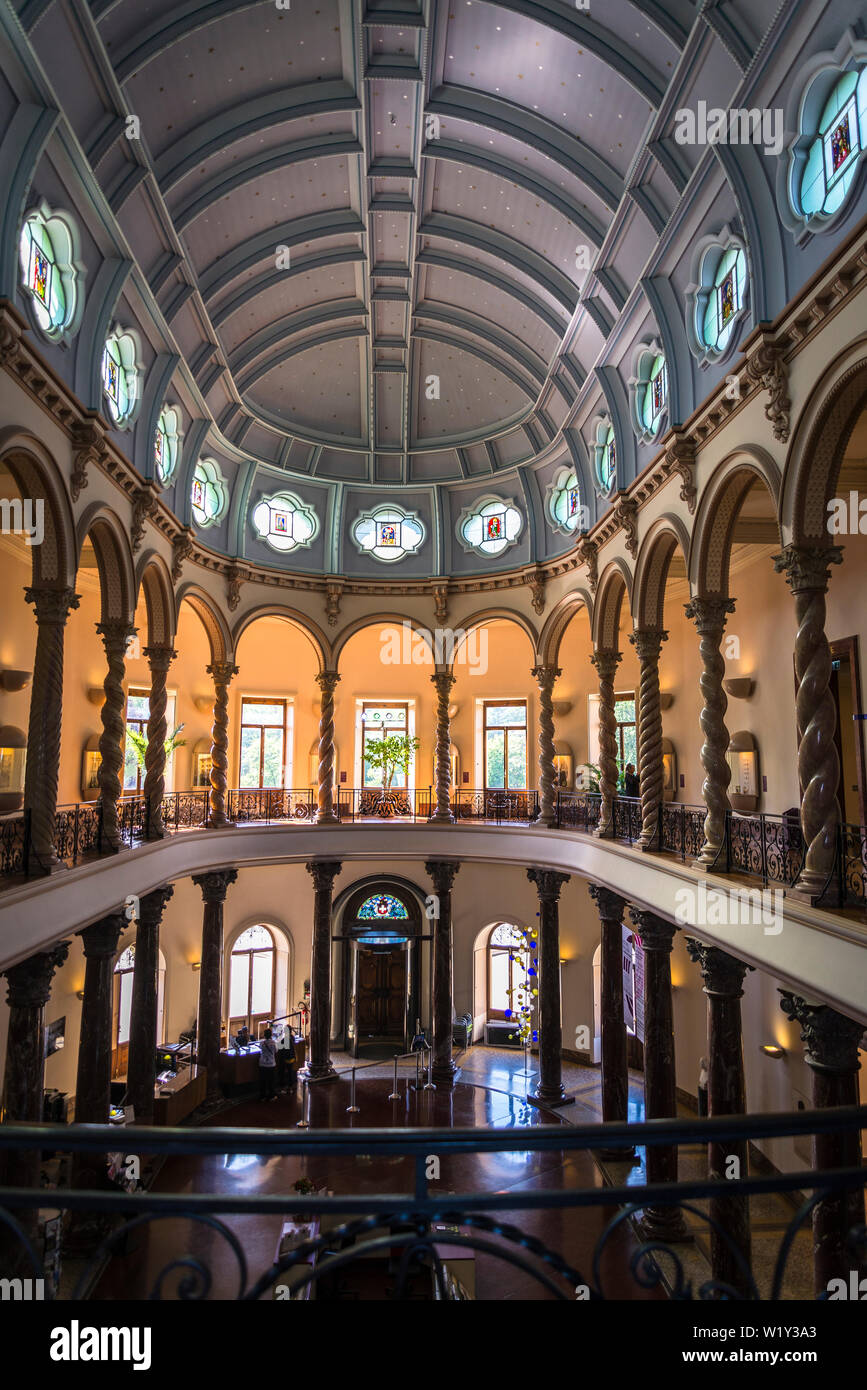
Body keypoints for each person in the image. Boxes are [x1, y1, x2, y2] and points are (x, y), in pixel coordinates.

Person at [258, 1027, 277, 1101]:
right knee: (271, 1081)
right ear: (271, 1035)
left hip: (262, 1064)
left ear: (264, 1035)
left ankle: (262, 1096)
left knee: (263, 1081)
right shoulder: (273, 1043)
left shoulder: (262, 1043)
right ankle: (271, 1096)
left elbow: (260, 1049)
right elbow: (275, 1051)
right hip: (271, 1064)